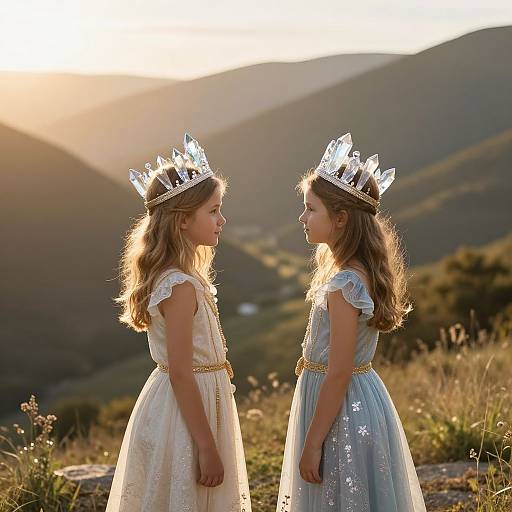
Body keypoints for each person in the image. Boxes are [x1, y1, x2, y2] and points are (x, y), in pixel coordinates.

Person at [276, 133, 426, 511]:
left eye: (311, 209)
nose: (302, 217)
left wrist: (312, 444)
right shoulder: (356, 275)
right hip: (358, 399)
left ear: (340, 218)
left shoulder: (345, 285)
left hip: (342, 408)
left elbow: (339, 371)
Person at [106, 134, 251, 511]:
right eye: (214, 211)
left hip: (194, 399)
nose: (223, 220)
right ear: (184, 219)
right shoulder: (179, 286)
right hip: (186, 409)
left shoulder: (182, 278)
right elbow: (182, 373)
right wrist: (206, 446)